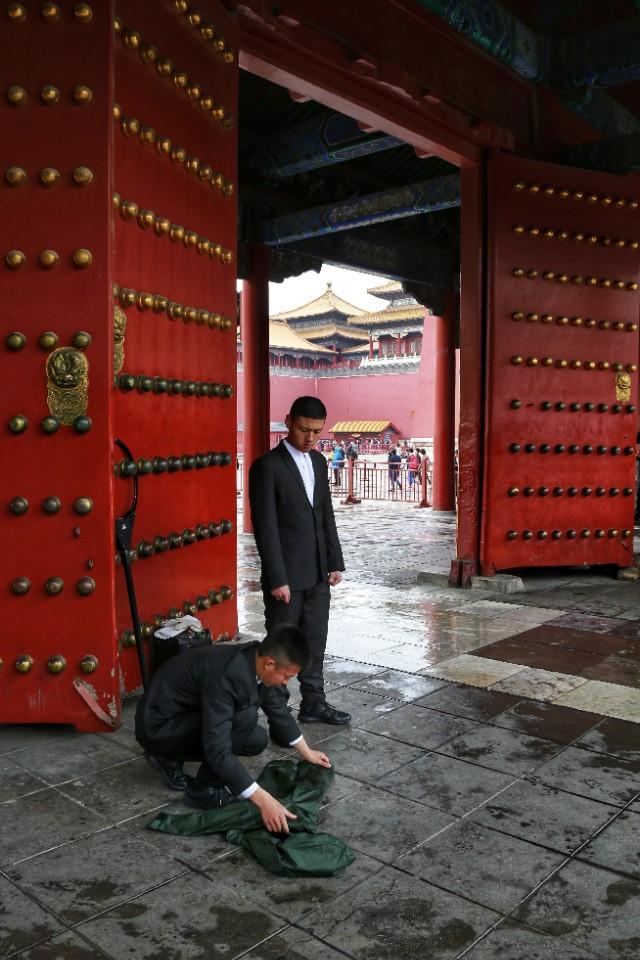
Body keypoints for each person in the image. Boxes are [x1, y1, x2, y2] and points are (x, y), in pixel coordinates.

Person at [136, 625, 332, 828]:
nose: (286, 682)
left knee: (256, 739)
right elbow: (217, 749)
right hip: (158, 726)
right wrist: (264, 800)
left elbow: (277, 708)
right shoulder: (226, 676)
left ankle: (169, 757)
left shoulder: (255, 658)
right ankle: (203, 791)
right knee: (244, 718)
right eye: (287, 676)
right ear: (269, 664)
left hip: (184, 714)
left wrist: (306, 752)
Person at [249, 396, 351, 726]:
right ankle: (278, 716)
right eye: (304, 429)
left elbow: (325, 516)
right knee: (280, 647)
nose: (310, 438)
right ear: (288, 421)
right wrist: (277, 578)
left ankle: (314, 704)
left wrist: (335, 562)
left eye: (317, 432)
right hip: (287, 579)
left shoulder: (319, 463)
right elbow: (266, 528)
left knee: (315, 643)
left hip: (318, 573)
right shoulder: (267, 466)